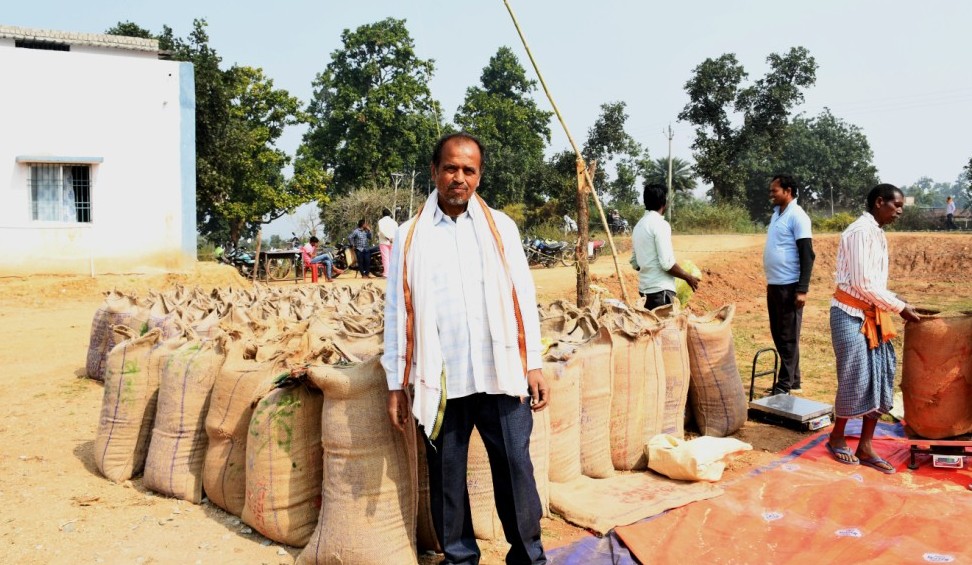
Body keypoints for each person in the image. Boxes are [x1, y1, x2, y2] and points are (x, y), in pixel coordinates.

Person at [382, 132, 549, 565]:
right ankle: (459, 560)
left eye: (468, 170)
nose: (459, 178)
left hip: (501, 373)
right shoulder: (410, 235)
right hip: (442, 380)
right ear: (435, 171)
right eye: (451, 168)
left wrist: (533, 363)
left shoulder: (501, 227)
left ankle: (528, 557)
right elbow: (398, 311)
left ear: (479, 175)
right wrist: (396, 383)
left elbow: (523, 296)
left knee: (516, 468)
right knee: (447, 480)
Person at [826, 184, 921, 474]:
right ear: (880, 202)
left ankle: (865, 446)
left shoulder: (877, 233)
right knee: (854, 377)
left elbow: (874, 284)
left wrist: (895, 298)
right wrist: (899, 307)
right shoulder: (859, 232)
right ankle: (837, 436)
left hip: (874, 314)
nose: (900, 211)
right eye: (896, 205)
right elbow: (861, 284)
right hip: (850, 315)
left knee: (882, 374)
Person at [762, 175, 815, 395]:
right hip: (775, 284)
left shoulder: (798, 216)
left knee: (788, 337)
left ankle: (784, 385)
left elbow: (807, 255)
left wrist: (802, 289)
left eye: (774, 191)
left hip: (789, 285)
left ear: (788, 191)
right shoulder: (777, 214)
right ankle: (795, 380)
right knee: (780, 334)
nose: (771, 194)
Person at [630, 182, 700, 309]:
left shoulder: (638, 226)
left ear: (645, 202)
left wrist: (649, 267)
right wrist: (688, 277)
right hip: (661, 292)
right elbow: (667, 264)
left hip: (644, 292)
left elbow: (635, 263)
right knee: (665, 322)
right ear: (664, 203)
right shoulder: (660, 225)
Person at [377, 208, 398, 278]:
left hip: (384, 241)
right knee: (392, 258)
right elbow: (397, 231)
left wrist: (388, 237)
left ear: (382, 214)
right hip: (393, 242)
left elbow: (381, 231)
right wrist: (392, 238)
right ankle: (392, 274)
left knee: (385, 258)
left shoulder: (380, 221)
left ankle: (386, 273)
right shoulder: (394, 222)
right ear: (389, 214)